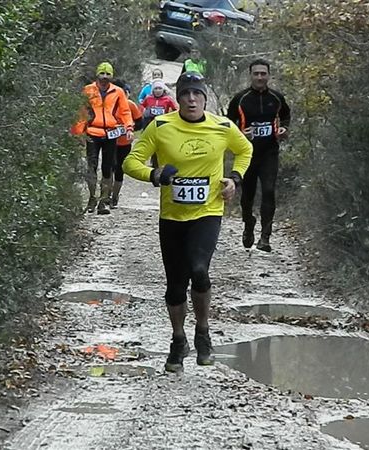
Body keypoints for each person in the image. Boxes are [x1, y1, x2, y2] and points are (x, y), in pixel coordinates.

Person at [123, 72, 253, 373]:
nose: (191, 99)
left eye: (197, 94)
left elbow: (245, 149)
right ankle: (178, 339)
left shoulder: (221, 126)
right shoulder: (161, 126)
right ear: (177, 98)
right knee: (175, 286)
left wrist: (235, 178)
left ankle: (203, 332)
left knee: (200, 270)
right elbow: (130, 162)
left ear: (204, 98)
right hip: (172, 216)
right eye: (185, 94)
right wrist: (154, 175)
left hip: (208, 212)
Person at [226, 58, 291, 252]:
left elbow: (286, 115)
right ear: (250, 76)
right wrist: (239, 132)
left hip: (269, 152)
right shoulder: (240, 98)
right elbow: (227, 124)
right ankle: (248, 224)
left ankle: (265, 237)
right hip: (247, 154)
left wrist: (284, 129)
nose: (260, 77)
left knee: (269, 191)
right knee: (247, 195)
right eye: (256, 74)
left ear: (269, 75)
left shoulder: (276, 98)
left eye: (263, 73)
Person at [71, 62, 134, 215]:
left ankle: (103, 201)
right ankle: (92, 198)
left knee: (108, 167)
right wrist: (78, 133)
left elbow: (125, 111)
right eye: (102, 74)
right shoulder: (88, 90)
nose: (105, 77)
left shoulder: (118, 92)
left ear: (112, 76)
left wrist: (129, 128)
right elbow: (82, 114)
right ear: (97, 74)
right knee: (91, 166)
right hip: (92, 133)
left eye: (108, 74)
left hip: (110, 133)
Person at [111, 79, 144, 208]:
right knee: (109, 167)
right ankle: (106, 196)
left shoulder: (130, 105)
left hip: (124, 143)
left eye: (125, 93)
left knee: (120, 169)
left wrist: (128, 129)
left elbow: (140, 123)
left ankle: (114, 196)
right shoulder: (107, 105)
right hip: (109, 142)